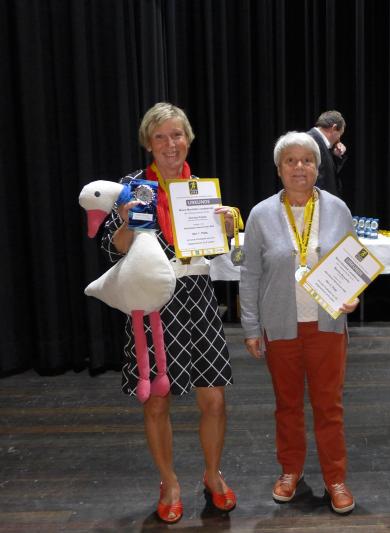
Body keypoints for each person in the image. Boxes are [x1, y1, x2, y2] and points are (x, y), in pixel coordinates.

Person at [100, 102, 238, 523]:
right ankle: (169, 482)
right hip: (153, 301)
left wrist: (226, 229)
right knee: (157, 402)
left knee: (213, 399)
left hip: (198, 295)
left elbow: (218, 251)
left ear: (188, 139)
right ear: (148, 143)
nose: (170, 143)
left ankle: (212, 475)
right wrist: (126, 221)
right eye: (160, 137)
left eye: (176, 134)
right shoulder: (132, 187)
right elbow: (111, 249)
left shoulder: (200, 188)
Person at [239, 131, 359, 514]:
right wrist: (251, 328)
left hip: (327, 326)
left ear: (317, 167)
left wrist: (354, 294)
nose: (299, 167)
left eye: (307, 160)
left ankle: (335, 478)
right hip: (280, 327)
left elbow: (353, 261)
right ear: (279, 169)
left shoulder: (338, 209)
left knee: (329, 406)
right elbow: (250, 275)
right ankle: (290, 470)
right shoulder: (261, 215)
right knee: (287, 405)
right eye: (290, 161)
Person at [307, 110, 347, 198]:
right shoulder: (309, 141)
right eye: (339, 134)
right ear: (334, 128)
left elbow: (328, 175)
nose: (339, 139)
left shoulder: (322, 143)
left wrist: (336, 156)